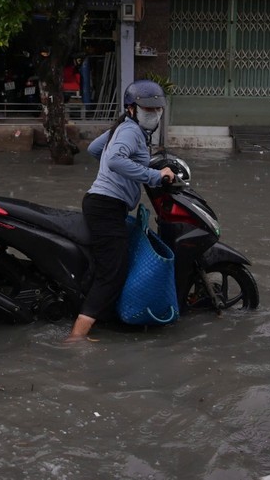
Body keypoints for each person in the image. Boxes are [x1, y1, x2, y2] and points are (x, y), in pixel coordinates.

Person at [66, 79, 175, 342]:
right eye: (147, 109)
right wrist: (153, 175)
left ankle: (99, 318)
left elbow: (95, 149)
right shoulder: (131, 131)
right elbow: (115, 159)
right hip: (106, 206)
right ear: (131, 108)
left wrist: (122, 171)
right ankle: (76, 338)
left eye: (157, 109)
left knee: (109, 265)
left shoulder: (124, 127)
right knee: (112, 274)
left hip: (102, 203)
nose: (154, 114)